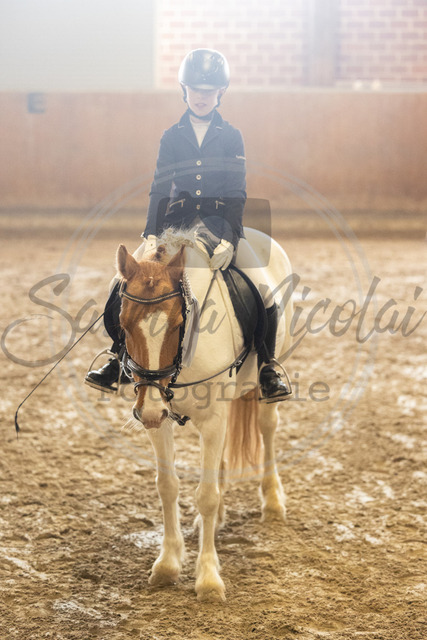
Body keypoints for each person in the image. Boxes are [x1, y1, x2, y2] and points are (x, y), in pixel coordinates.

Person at [85, 48, 291, 402]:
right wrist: (151, 233)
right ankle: (117, 358)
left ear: (220, 93)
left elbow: (237, 191)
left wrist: (230, 238)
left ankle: (267, 367)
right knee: (118, 284)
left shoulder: (231, 136)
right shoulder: (171, 136)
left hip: (219, 225)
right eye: (195, 89)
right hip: (174, 227)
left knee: (262, 287)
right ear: (185, 90)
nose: (201, 97)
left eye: (208, 91)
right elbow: (159, 187)